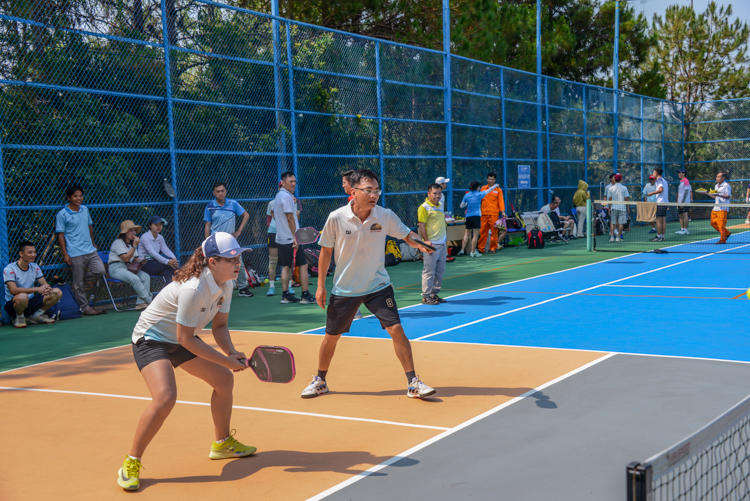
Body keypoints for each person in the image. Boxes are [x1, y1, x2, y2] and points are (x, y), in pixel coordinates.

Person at [116, 232, 256, 492]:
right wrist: (226, 361)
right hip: (152, 339)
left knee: (224, 380)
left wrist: (231, 352)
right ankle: (131, 462)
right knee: (165, 398)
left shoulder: (226, 284)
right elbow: (186, 339)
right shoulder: (194, 288)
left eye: (238, 257)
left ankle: (222, 443)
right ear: (213, 262)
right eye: (231, 259)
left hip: (180, 338)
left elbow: (220, 326)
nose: (238, 263)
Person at [302, 169, 436, 400]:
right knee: (331, 336)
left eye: (376, 191)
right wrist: (321, 286)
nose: (374, 195)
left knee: (396, 330)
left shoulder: (385, 215)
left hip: (377, 285)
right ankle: (320, 380)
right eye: (368, 191)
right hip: (346, 288)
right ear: (354, 191)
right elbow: (325, 252)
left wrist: (420, 243)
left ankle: (413, 382)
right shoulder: (336, 217)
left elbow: (406, 235)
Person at [55, 185, 106, 316]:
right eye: (75, 196)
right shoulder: (62, 214)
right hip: (75, 252)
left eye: (80, 195)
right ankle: (85, 308)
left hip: (90, 250)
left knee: (100, 270)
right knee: (78, 283)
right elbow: (60, 235)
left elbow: (89, 226)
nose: (79, 198)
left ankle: (77, 282)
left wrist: (93, 243)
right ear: (68, 198)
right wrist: (65, 254)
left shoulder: (85, 209)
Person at [203, 181, 253, 297]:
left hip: (231, 241)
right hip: (216, 243)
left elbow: (246, 215)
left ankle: (242, 288)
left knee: (239, 264)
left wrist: (239, 231)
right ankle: (216, 291)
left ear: (226, 191)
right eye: (218, 191)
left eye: (222, 191)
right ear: (214, 193)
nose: (220, 193)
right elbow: (207, 226)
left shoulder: (233, 203)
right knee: (216, 266)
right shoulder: (210, 207)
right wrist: (207, 242)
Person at [273, 172, 314, 305]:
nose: (293, 183)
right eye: (290, 181)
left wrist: (282, 228)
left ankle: (285, 296)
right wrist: (295, 237)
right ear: (283, 183)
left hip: (281, 238)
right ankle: (305, 296)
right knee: (303, 266)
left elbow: (274, 213)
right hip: (291, 239)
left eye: (294, 181)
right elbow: (290, 218)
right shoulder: (287, 197)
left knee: (286, 267)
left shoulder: (278, 196)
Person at [4, 241, 62, 328]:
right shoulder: (10, 269)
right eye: (30, 252)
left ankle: (36, 316)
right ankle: (19, 317)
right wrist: (37, 289)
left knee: (57, 292)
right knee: (22, 296)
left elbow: (44, 284)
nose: (33, 255)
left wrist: (47, 288)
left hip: (30, 302)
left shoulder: (34, 266)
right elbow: (13, 290)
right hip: (14, 304)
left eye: (34, 252)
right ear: (21, 254)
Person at [109, 220, 152, 311]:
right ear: (125, 232)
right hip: (116, 268)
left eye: (134, 230)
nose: (134, 233)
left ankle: (141, 303)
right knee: (134, 278)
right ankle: (150, 301)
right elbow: (125, 258)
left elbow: (135, 259)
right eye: (131, 230)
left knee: (146, 276)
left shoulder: (131, 244)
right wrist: (135, 246)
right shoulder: (118, 242)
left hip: (128, 267)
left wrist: (142, 261)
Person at [418, 183, 448, 305]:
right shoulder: (424, 207)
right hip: (431, 245)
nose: (437, 196)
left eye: (439, 193)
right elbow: (421, 225)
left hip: (442, 244)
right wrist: (426, 242)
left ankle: (433, 294)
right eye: (435, 193)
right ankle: (426, 296)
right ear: (428, 194)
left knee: (440, 271)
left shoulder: (440, 206)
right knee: (429, 271)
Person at [459, 181, 499, 257]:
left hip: (468, 217)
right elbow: (489, 190)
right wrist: (495, 185)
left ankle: (462, 250)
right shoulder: (479, 194)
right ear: (477, 187)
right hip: (476, 217)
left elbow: (461, 206)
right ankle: (473, 252)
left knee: (466, 234)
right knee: (475, 235)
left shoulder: (467, 195)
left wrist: (468, 203)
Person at [139, 216, 178, 284]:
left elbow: (165, 250)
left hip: (156, 264)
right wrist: (167, 262)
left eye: (160, 224)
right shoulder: (145, 237)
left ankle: (169, 290)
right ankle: (185, 278)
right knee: (171, 265)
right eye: (155, 224)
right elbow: (152, 253)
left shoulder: (160, 237)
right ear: (150, 226)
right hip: (145, 264)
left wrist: (174, 258)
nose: (158, 226)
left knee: (168, 272)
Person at [478, 173, 506, 253]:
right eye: (489, 179)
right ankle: (480, 249)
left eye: (492, 179)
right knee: (482, 232)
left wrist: (503, 212)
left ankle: (493, 248)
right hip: (483, 214)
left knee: (494, 232)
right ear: (487, 179)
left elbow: (501, 201)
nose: (490, 181)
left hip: (493, 214)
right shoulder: (483, 188)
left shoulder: (498, 190)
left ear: (495, 180)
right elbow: (479, 200)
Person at [702, 170, 732, 244]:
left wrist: (719, 195)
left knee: (721, 225)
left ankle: (722, 240)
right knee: (713, 223)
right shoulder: (716, 185)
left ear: (723, 178)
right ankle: (727, 233)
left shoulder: (726, 186)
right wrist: (706, 193)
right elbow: (715, 197)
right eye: (716, 176)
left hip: (723, 208)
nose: (717, 178)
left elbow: (728, 196)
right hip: (715, 208)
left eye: (719, 177)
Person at [646, 168, 669, 242]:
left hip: (661, 203)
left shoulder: (659, 180)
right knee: (663, 220)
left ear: (656, 173)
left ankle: (658, 236)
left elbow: (661, 190)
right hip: (665, 202)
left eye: (653, 173)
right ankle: (662, 236)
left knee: (658, 220)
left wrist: (651, 193)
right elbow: (666, 192)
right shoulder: (664, 181)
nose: (653, 174)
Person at [606, 174, 630, 243]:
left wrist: (609, 208)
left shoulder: (611, 188)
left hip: (613, 207)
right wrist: (628, 208)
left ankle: (612, 237)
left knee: (612, 223)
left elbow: (609, 199)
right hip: (622, 208)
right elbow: (626, 199)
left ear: (614, 179)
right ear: (621, 179)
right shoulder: (624, 188)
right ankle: (618, 237)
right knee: (620, 223)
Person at [676, 168, 692, 235]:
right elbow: (679, 193)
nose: (678, 174)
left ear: (684, 174)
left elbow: (686, 191)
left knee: (685, 215)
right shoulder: (681, 182)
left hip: (685, 202)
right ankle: (682, 229)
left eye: (680, 173)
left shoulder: (686, 181)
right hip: (680, 202)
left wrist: (682, 202)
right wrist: (678, 203)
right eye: (678, 173)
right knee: (681, 215)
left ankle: (685, 229)